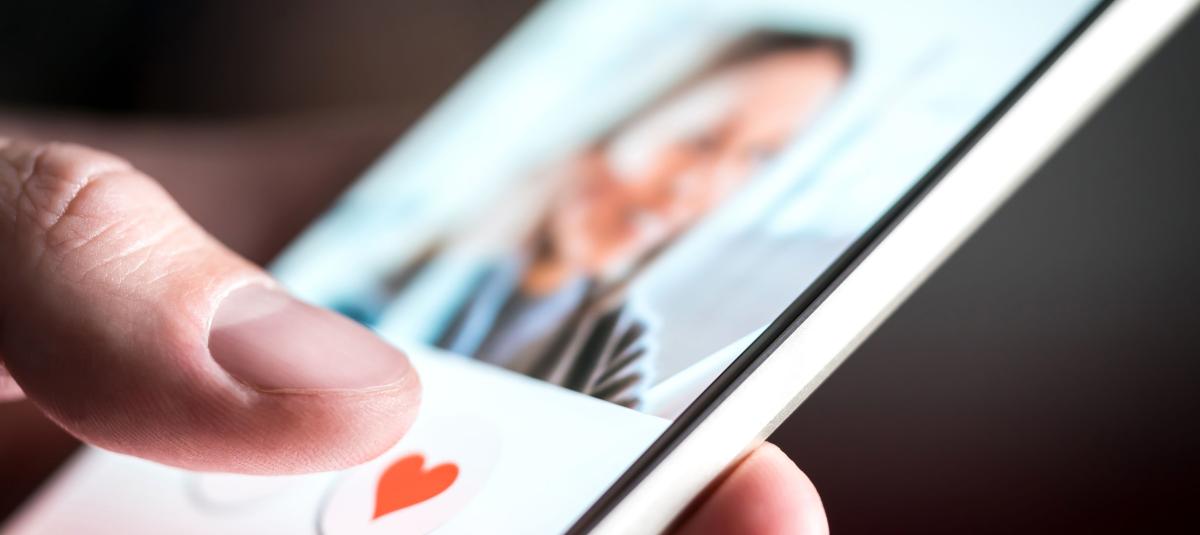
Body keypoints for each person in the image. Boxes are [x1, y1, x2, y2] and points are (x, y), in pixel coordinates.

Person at [338, 34, 850, 409]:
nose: (698, 189)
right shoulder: (395, 246)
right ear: (633, 112)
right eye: (701, 138)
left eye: (758, 157)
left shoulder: (617, 344)